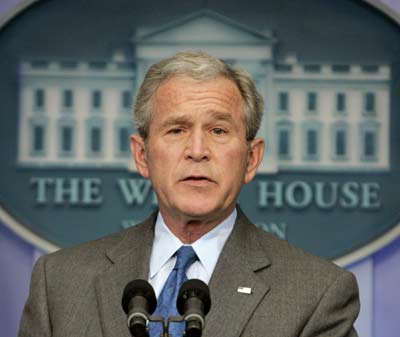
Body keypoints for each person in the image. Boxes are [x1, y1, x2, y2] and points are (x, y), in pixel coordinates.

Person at [18, 50, 360, 337]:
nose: (197, 150)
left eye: (218, 130)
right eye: (177, 129)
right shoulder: (59, 282)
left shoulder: (318, 294)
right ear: (142, 156)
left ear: (251, 159)